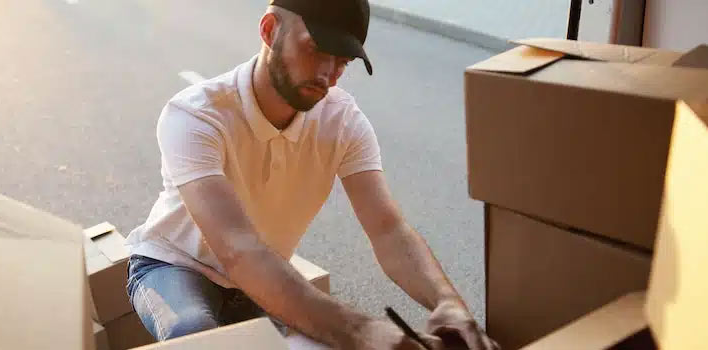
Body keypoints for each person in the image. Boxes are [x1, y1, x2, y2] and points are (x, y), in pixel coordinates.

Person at [125, 0, 499, 349]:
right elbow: (239, 249)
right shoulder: (197, 114)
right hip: (174, 264)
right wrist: (362, 329)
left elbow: (388, 231)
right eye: (316, 50)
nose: (329, 74)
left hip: (261, 279)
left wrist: (448, 303)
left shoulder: (343, 121)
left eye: (343, 61)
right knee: (197, 335)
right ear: (270, 30)